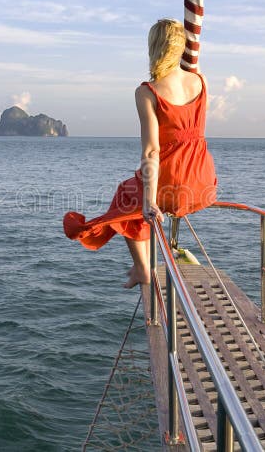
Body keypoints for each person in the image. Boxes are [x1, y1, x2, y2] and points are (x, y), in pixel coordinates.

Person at [63, 18, 217, 288]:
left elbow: (151, 150)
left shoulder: (148, 92)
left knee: (128, 195)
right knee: (139, 197)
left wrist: (148, 202)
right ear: (181, 48)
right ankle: (143, 262)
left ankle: (142, 267)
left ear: (153, 47)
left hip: (173, 182)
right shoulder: (201, 82)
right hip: (203, 181)